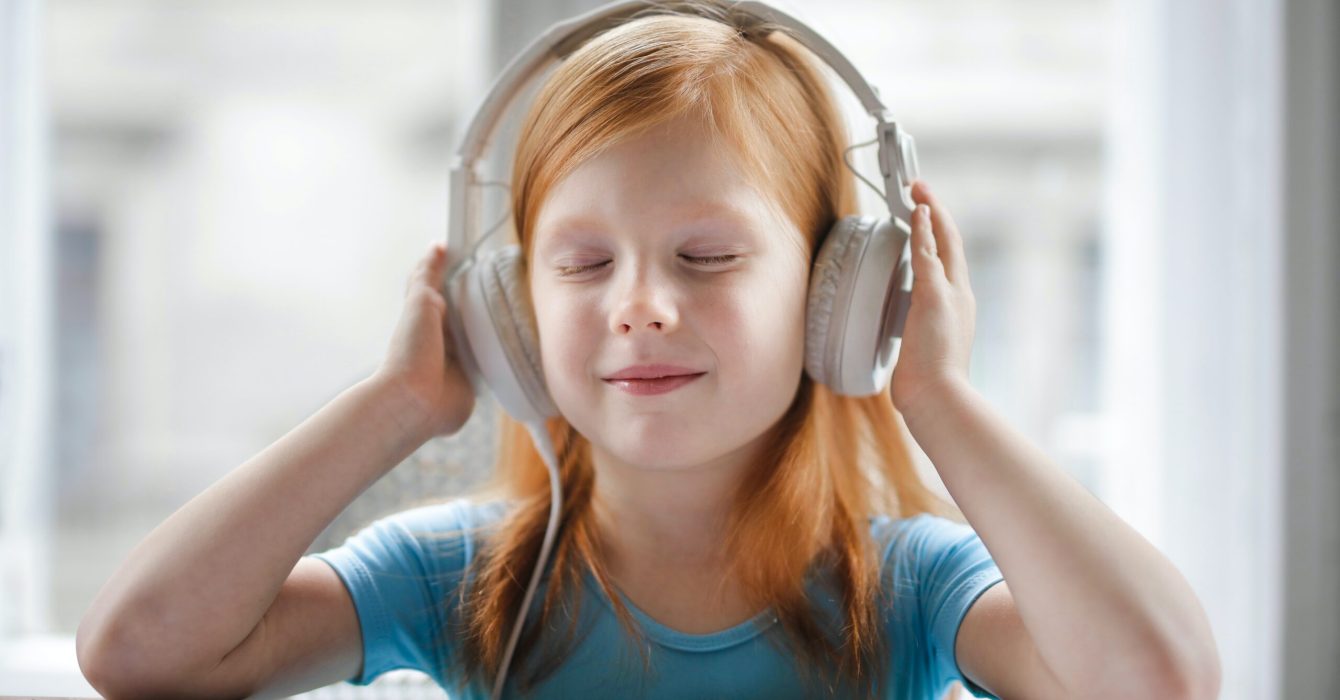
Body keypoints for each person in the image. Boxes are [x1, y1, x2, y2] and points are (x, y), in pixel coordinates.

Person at [74, 3, 1222, 699]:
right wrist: (393, 406)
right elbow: (137, 651)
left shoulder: (905, 588)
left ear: (840, 294)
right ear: (509, 313)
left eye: (707, 258)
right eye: (579, 266)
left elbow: (1155, 679)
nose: (639, 306)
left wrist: (936, 396)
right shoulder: (470, 578)